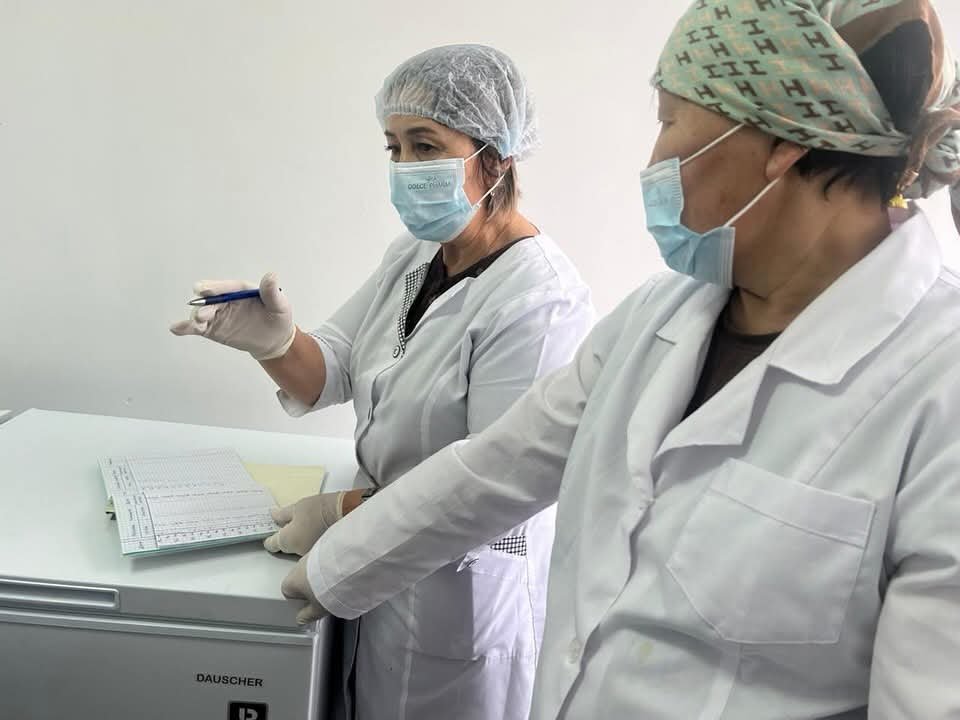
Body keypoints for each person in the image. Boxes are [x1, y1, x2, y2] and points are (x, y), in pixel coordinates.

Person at [280, 2, 960, 718]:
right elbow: (496, 468)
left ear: (779, 142)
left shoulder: (936, 386)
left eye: (669, 120)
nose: (653, 160)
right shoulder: (661, 315)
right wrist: (329, 569)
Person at [170, 45, 594, 720]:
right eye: (393, 148)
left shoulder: (540, 303)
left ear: (496, 156)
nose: (404, 167)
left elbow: (498, 494)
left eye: (426, 146)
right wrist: (272, 340)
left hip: (461, 605)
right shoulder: (416, 255)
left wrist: (343, 513)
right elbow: (333, 368)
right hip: (378, 576)